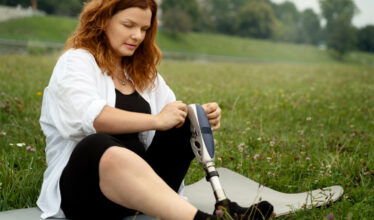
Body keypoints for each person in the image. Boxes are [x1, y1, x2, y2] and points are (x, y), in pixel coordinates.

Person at [37, 0, 273, 219]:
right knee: (96, 143)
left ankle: (225, 206)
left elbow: (171, 115)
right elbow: (92, 118)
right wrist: (157, 120)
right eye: (128, 25)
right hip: (88, 193)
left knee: (187, 122)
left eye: (144, 29)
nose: (137, 36)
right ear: (103, 20)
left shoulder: (142, 72)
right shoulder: (76, 61)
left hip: (141, 191)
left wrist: (199, 114)